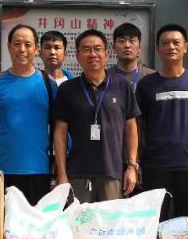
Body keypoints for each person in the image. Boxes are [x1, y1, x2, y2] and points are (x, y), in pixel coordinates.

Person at [137, 24, 188, 220]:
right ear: (158, 48)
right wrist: (136, 162)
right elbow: (137, 126)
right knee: (155, 222)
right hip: (155, 166)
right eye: (165, 43)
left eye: (176, 42)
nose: (171, 47)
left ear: (186, 47)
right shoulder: (146, 84)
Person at [54, 29, 139, 202]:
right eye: (86, 49)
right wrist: (62, 174)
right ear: (78, 56)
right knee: (79, 218)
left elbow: (131, 128)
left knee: (110, 219)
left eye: (97, 49)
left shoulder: (122, 86)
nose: (92, 54)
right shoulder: (67, 89)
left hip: (112, 172)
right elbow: (60, 133)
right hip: (78, 173)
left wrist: (132, 166)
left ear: (106, 54)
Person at [0, 24, 52, 204]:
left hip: (38, 168)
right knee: (1, 219)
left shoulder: (48, 84)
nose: (22, 49)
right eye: (17, 44)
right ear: (9, 47)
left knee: (34, 220)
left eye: (28, 44)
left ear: (36, 49)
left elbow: (59, 126)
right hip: (1, 168)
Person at [108, 22, 155, 88]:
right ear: (114, 47)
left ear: (139, 47)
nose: (127, 45)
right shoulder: (104, 76)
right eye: (122, 41)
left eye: (132, 41)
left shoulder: (152, 77)